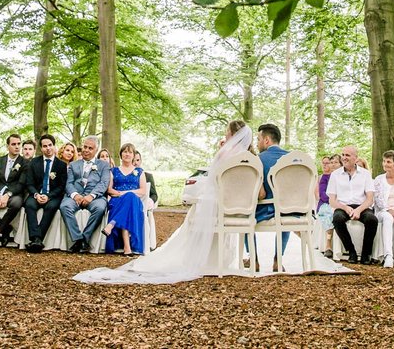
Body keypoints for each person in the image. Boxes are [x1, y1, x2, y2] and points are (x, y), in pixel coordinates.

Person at [74, 121, 350, 284]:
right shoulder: (256, 158)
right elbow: (262, 194)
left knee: (200, 217)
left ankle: (228, 258)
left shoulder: (226, 157)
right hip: (271, 212)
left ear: (230, 137)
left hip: (227, 211)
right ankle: (252, 259)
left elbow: (215, 185)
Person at [60, 137, 112, 253]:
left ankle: (85, 239)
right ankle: (78, 239)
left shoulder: (103, 165)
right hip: (75, 197)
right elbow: (68, 183)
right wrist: (75, 195)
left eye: (90, 148)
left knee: (100, 208)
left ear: (96, 150)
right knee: (65, 206)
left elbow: (103, 183)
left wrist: (91, 196)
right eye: (85, 147)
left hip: (94, 198)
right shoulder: (73, 165)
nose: (86, 150)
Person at [328, 145, 377, 264]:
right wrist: (345, 207)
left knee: (372, 220)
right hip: (343, 206)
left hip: (362, 206)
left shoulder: (365, 174)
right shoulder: (335, 175)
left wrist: (359, 210)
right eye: (343, 155)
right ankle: (351, 251)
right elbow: (332, 200)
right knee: (337, 219)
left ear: (355, 158)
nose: (344, 158)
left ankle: (366, 254)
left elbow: (370, 199)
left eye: (347, 155)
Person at [101, 143, 149, 255]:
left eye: (130, 152)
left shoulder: (140, 172)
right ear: (121, 154)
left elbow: (142, 191)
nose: (127, 154)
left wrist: (126, 193)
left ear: (133, 155)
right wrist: (122, 194)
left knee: (130, 197)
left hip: (135, 203)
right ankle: (127, 248)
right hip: (117, 201)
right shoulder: (114, 171)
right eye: (125, 151)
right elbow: (109, 190)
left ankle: (111, 224)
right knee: (128, 202)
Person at [23, 133, 67, 252]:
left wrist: (48, 196)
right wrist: (37, 195)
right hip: (36, 193)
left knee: (51, 207)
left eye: (50, 145)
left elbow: (61, 186)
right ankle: (37, 239)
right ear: (41, 148)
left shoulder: (61, 165)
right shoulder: (34, 163)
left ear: (54, 146)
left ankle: (36, 239)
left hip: (53, 196)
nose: (48, 148)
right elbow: (29, 183)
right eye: (44, 146)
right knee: (29, 205)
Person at [316, 154, 339, 257]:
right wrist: (334, 200)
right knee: (328, 212)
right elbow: (322, 195)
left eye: (335, 162)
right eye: (331, 162)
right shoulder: (325, 177)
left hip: (340, 203)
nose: (332, 165)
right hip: (326, 203)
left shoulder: (344, 176)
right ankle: (328, 245)